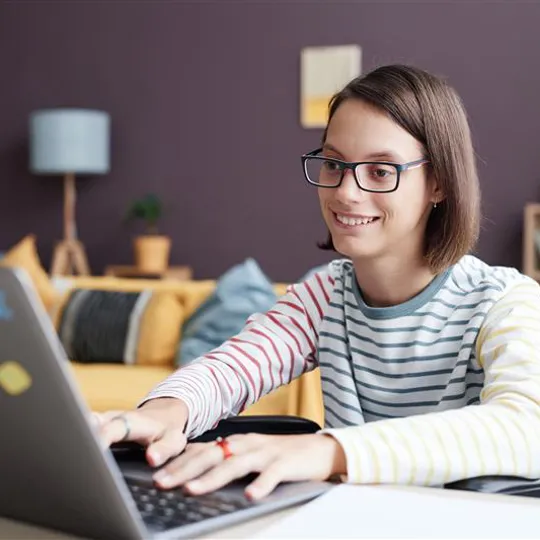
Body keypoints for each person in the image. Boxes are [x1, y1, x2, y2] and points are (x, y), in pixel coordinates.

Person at [94, 64, 540, 501]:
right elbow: (233, 366)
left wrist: (329, 451)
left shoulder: (505, 302)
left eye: (381, 172)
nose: (346, 192)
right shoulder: (324, 296)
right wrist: (166, 412)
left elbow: (527, 430)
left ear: (438, 184)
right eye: (333, 164)